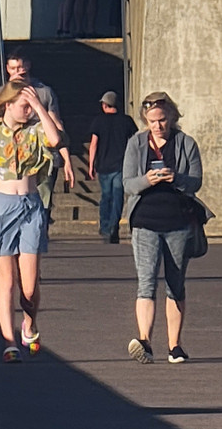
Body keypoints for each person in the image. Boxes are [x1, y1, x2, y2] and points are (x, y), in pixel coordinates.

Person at [0, 82, 62, 360]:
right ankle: (9, 342)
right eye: (24, 105)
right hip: (0, 205)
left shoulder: (36, 130)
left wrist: (41, 108)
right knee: (6, 282)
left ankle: (29, 323)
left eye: (30, 105)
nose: (27, 110)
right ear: (7, 105)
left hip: (31, 205)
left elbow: (56, 141)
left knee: (29, 286)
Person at [122, 92, 205, 364]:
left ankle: (175, 345)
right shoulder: (136, 143)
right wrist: (147, 179)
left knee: (175, 283)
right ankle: (144, 340)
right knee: (146, 281)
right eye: (152, 121)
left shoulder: (186, 144)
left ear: (172, 117)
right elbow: (128, 184)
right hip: (145, 221)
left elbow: (195, 182)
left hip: (178, 221)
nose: (158, 126)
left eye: (162, 119)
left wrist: (175, 177)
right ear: (145, 120)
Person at [4, 50, 73, 201]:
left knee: (43, 204)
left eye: (20, 68)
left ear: (27, 66)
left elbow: (57, 125)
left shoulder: (44, 92)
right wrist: (9, 88)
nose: (17, 72)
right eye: (12, 68)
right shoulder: (4, 92)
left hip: (44, 157)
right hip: (14, 158)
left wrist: (67, 159)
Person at [87, 90, 136, 243]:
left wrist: (91, 165)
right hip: (121, 164)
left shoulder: (98, 121)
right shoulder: (126, 121)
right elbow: (135, 142)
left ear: (105, 105)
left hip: (103, 165)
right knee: (118, 197)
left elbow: (93, 144)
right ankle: (114, 226)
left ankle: (105, 227)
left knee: (105, 197)